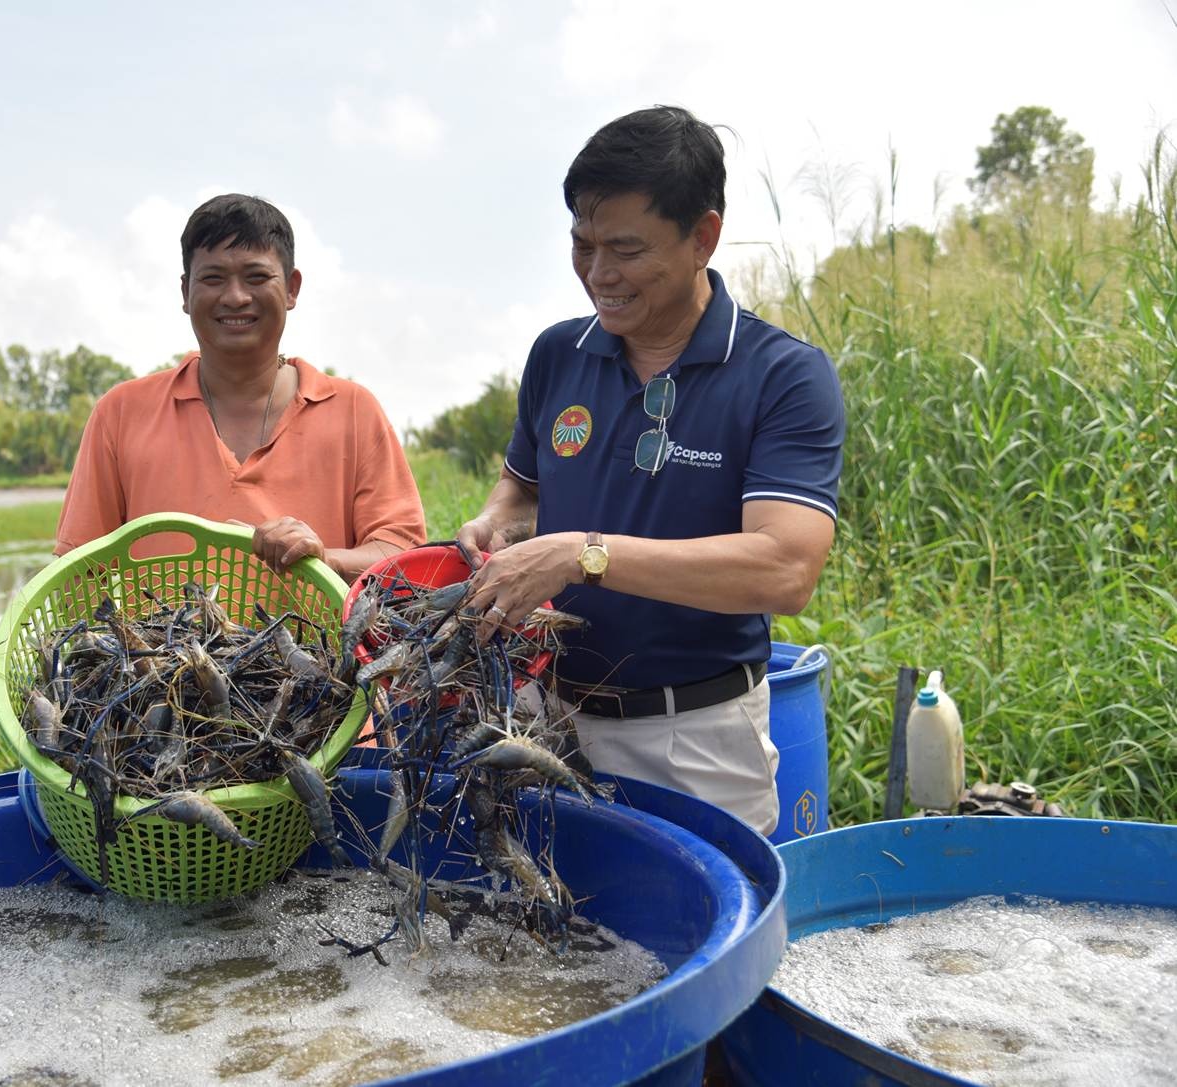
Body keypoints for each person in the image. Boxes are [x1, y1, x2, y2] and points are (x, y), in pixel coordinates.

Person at [457, 106, 845, 835]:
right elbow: (522, 488)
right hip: (545, 715)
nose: (598, 275)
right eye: (582, 245)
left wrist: (580, 553)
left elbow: (782, 568)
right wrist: (498, 522)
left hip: (694, 737)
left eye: (626, 250)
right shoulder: (557, 355)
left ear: (702, 236)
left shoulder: (782, 375)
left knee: (706, 936)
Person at [55, 193, 425, 582]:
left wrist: (325, 559)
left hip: (316, 642)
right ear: (185, 293)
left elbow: (403, 556)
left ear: (292, 288)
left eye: (257, 277)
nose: (235, 297)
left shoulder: (352, 410)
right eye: (213, 278)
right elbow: (79, 573)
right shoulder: (122, 412)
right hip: (160, 643)